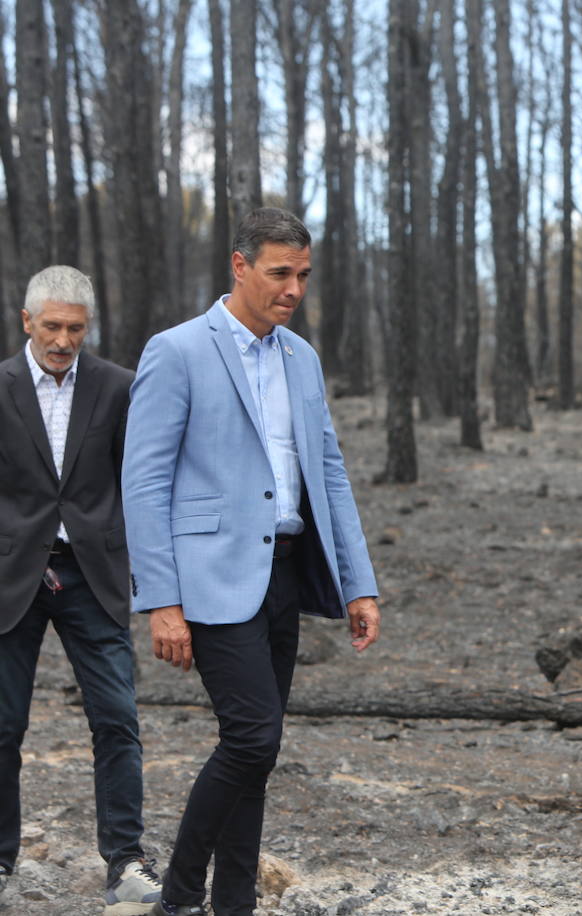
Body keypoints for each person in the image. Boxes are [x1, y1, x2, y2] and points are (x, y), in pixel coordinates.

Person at [123, 208, 381, 916]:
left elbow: (328, 472)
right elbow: (143, 484)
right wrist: (161, 600)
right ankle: (178, 896)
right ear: (239, 267)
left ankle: (234, 902)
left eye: (302, 275)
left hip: (287, 573)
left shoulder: (302, 359)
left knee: (257, 751)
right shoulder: (176, 352)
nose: (293, 289)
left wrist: (359, 584)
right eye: (279, 273)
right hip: (209, 577)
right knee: (252, 736)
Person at [0, 266, 162, 915]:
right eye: (53, 327)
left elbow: (139, 481)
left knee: (117, 720)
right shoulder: (1, 385)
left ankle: (125, 861)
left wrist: (146, 575)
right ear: (27, 322)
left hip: (93, 575)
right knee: (2, 724)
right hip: (11, 577)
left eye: (76, 328)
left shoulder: (118, 387)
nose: (64, 339)